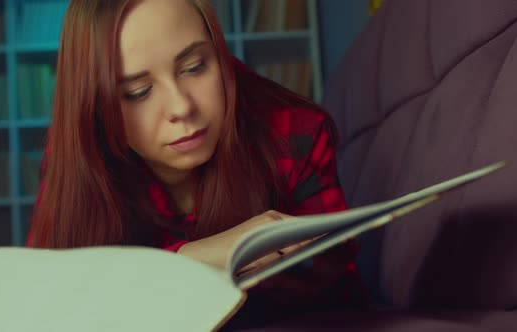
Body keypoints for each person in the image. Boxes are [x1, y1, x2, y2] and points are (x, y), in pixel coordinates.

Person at [27, 0, 366, 328]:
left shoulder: (293, 131)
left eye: (194, 67)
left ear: (219, 54)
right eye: (139, 91)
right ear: (97, 107)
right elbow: (53, 299)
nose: (181, 107)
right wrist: (193, 259)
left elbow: (337, 287)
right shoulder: (75, 153)